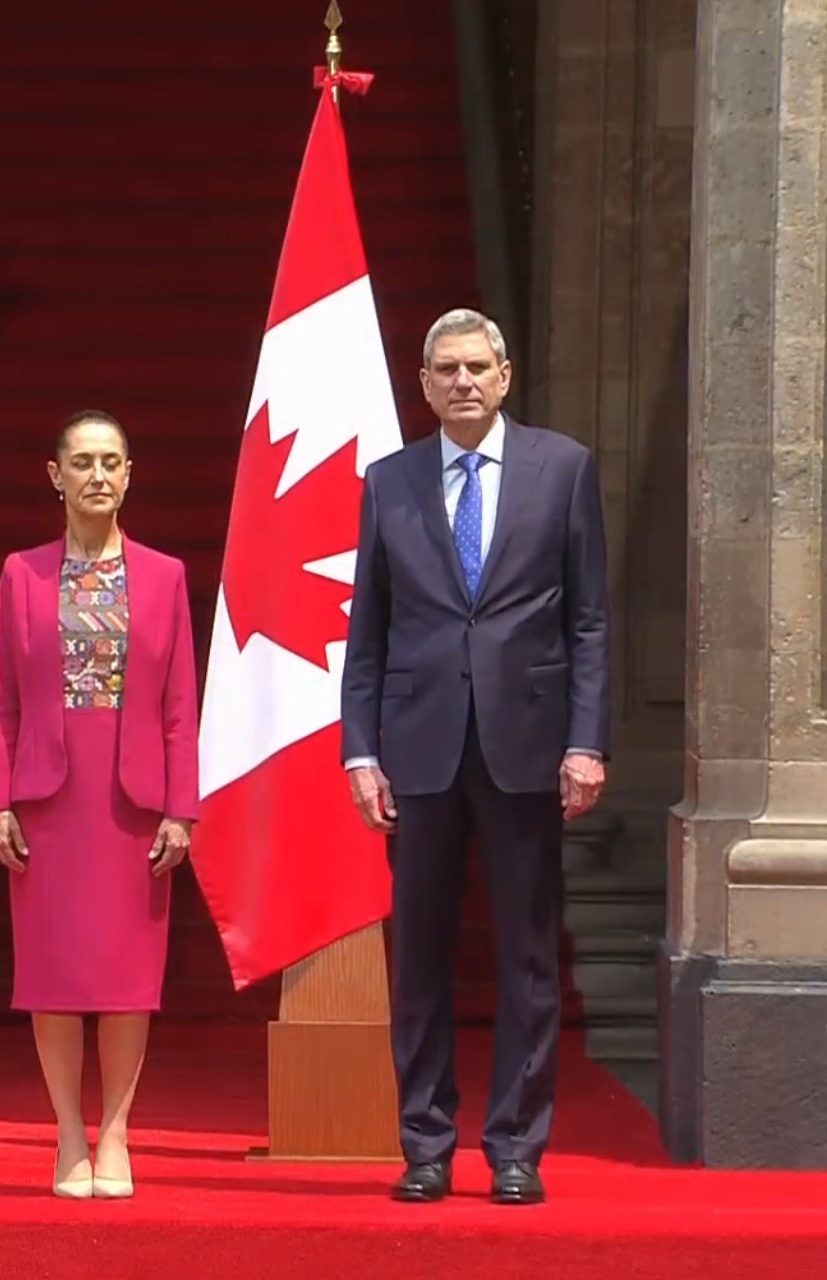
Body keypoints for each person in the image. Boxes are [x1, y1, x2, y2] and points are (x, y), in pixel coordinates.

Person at [341, 309, 611, 1206]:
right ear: (424, 386)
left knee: (527, 954)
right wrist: (359, 750)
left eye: (476, 367)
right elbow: (369, 630)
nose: (462, 381)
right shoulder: (389, 482)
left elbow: (588, 619)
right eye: (446, 370)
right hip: (418, 749)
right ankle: (425, 1143)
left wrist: (586, 740)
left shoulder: (562, 468)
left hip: (526, 745)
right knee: (419, 954)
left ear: (505, 376)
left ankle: (516, 1148)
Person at [0, 411, 200, 1199]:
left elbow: (180, 704)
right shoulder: (22, 575)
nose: (97, 475)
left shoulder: (166, 577)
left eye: (111, 462)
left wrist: (182, 809)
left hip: (133, 803)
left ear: (129, 475)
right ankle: (69, 1133)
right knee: (55, 978)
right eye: (83, 462)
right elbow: (0, 697)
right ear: (56, 476)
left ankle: (117, 1134)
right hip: (47, 801)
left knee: (127, 980)